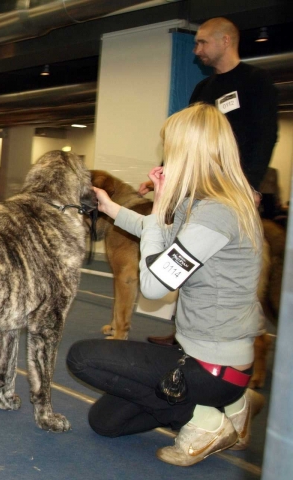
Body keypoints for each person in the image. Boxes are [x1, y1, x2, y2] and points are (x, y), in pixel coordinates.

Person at [67, 103, 265, 467]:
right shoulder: (211, 205)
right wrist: (112, 209)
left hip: (211, 364)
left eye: (171, 148)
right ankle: (234, 405)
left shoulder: (217, 213)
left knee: (82, 357)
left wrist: (158, 209)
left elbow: (156, 285)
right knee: (106, 422)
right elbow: (157, 232)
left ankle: (208, 421)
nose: (165, 156)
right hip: (203, 358)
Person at [139, 17, 278, 200]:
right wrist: (166, 174)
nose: (196, 50)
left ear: (225, 41)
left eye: (202, 43)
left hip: (234, 188)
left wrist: (250, 186)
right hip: (200, 188)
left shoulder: (256, 80)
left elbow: (265, 137)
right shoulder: (202, 88)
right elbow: (185, 138)